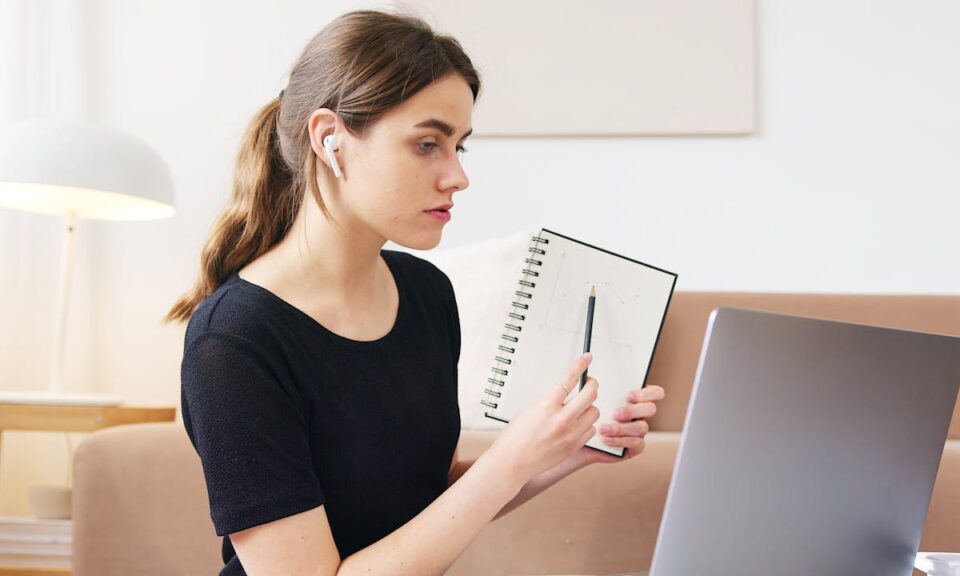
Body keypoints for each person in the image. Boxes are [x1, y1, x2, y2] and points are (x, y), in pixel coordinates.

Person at [166, 10, 665, 576]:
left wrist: (568, 450)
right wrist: (512, 456)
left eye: (460, 147)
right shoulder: (233, 342)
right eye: (428, 144)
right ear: (331, 140)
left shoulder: (426, 294)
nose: (457, 176)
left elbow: (426, 499)